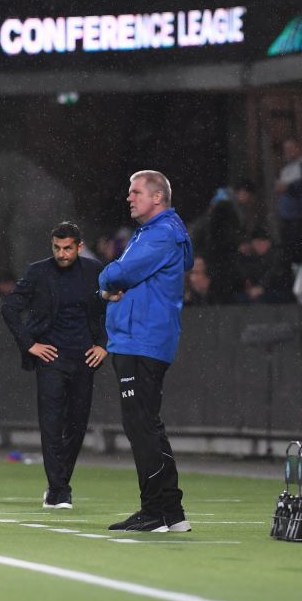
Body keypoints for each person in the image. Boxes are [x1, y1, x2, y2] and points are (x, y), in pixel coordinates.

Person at [98, 170, 193, 533]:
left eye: (136, 191)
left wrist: (107, 281)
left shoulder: (161, 233)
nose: (129, 197)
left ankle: (155, 510)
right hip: (140, 338)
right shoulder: (156, 233)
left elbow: (118, 274)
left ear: (157, 197)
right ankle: (171, 511)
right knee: (146, 423)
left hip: (141, 339)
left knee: (141, 424)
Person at [0, 221, 108, 510]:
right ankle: (60, 491)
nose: (62, 254)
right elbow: (9, 307)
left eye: (68, 248)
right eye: (57, 248)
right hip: (51, 359)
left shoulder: (95, 271)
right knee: (51, 424)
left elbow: (110, 308)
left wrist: (104, 344)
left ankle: (58, 485)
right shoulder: (38, 271)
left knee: (77, 425)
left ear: (79, 247)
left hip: (84, 358)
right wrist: (30, 344)